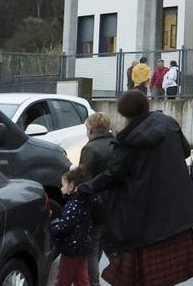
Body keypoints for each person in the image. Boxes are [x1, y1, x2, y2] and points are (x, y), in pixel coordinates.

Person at [78, 90, 193, 286]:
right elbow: (185, 151)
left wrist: (84, 187)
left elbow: (113, 175)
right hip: (175, 208)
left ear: (123, 114)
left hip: (145, 214)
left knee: (143, 277)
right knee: (166, 274)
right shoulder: (168, 123)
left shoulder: (128, 141)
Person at [77, 114, 113, 286]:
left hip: (97, 205)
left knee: (92, 247)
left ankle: (93, 283)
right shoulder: (116, 143)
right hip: (115, 204)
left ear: (91, 129)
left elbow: (83, 178)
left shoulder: (90, 149)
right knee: (112, 247)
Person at [52, 167, 100, 286]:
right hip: (83, 246)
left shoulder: (73, 204)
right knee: (81, 278)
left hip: (70, 249)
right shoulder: (87, 201)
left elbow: (65, 227)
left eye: (63, 185)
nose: (61, 188)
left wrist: (52, 230)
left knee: (64, 278)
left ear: (72, 185)